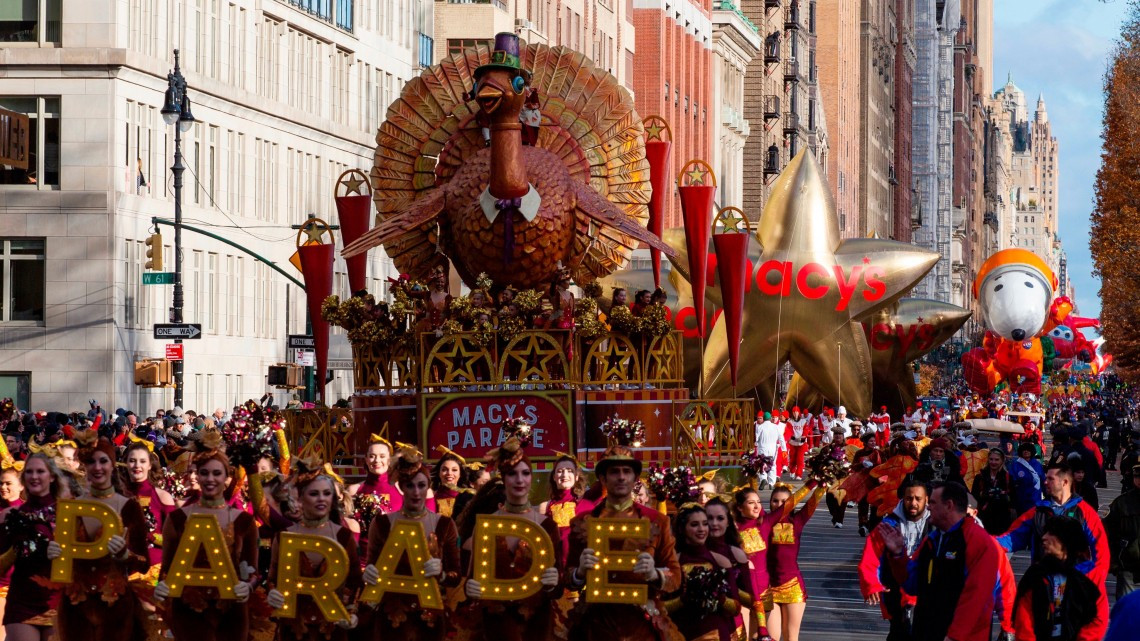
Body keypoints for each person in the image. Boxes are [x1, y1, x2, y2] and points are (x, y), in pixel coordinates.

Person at [566, 442, 681, 641]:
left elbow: (676, 577)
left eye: (626, 471)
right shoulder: (582, 523)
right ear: (603, 478)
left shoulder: (657, 521)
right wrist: (579, 572)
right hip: (596, 626)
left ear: (635, 478)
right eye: (614, 472)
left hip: (643, 627)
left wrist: (655, 574)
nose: (621, 477)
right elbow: (567, 577)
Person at [458, 435, 562, 640]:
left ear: (531, 477)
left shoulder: (547, 526)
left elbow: (557, 588)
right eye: (513, 474)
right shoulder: (486, 526)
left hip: (535, 628)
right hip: (496, 627)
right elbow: (473, 581)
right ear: (503, 478)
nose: (520, 480)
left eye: (525, 473)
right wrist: (471, 589)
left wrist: (553, 583)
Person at [155, 443, 260, 641]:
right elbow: (167, 568)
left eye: (216, 473)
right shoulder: (177, 519)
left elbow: (252, 570)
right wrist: (163, 586)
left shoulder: (244, 521)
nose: (210, 479)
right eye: (204, 473)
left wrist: (248, 586)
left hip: (231, 613)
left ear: (227, 478)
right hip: (188, 611)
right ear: (197, 475)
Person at [51, 434, 150, 641]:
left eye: (103, 461)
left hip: (116, 607)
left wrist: (125, 555)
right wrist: (53, 553)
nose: (97, 467)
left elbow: (144, 563)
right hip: (76, 608)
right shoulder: (71, 508)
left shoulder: (129, 507)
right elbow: (61, 561)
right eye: (91, 461)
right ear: (84, 466)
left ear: (112, 465)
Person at [997, 463, 1110, 641]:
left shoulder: (1085, 512)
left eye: (1050, 478)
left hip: (1076, 582)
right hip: (1044, 581)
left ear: (1065, 482)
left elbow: (1100, 548)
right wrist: (984, 541)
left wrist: (1094, 581)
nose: (1045, 482)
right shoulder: (1037, 512)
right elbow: (1012, 538)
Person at [363, 447, 460, 641]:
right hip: (392, 618)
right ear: (401, 487)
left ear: (428, 487)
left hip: (430, 618)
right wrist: (369, 574)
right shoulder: (381, 523)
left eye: (421, 485)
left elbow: (456, 575)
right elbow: (371, 565)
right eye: (410, 486)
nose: (416, 492)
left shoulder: (444, 524)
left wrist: (441, 574)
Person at [882, 481, 999, 641]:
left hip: (959, 636)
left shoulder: (978, 542)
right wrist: (897, 555)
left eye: (933, 502)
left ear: (949, 505)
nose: (928, 507)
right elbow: (912, 585)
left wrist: (955, 636)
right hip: (927, 632)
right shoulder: (933, 540)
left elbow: (977, 597)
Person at [266, 461, 363, 640]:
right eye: (314, 494)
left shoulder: (343, 536)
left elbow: (355, 580)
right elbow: (273, 579)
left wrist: (351, 611)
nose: (321, 499)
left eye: (326, 493)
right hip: (294, 630)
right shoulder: (284, 536)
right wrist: (273, 594)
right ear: (300, 498)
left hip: (332, 630)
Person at [0, 453, 65, 641]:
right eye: (29, 472)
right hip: (21, 600)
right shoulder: (9, 515)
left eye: (40, 471)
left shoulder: (67, 512)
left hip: (57, 600)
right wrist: (14, 550)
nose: (34, 476)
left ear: (51, 476)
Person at [859, 478, 931, 641]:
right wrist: (872, 584)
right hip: (895, 589)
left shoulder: (936, 524)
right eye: (909, 498)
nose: (913, 503)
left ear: (926, 500)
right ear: (902, 499)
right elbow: (871, 557)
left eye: (918, 499)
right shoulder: (888, 525)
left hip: (926, 589)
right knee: (900, 631)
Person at [665, 504, 747, 641]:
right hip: (681, 634)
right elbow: (661, 608)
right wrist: (684, 599)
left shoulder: (721, 561)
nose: (701, 529)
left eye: (704, 524)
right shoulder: (673, 563)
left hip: (716, 634)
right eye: (694, 525)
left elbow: (735, 608)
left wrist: (719, 598)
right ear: (682, 528)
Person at [1012, 516, 1101, 641]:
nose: (1044, 537)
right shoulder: (1036, 574)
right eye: (1045, 532)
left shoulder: (1088, 575)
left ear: (1066, 540)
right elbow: (1024, 616)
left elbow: (1097, 618)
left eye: (1052, 533)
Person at [765, 481, 827, 641]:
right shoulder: (764, 522)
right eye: (775, 501)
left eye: (784, 501)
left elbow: (814, 500)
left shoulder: (797, 521)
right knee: (769, 638)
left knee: (791, 637)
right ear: (769, 503)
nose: (779, 505)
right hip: (768, 587)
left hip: (792, 587)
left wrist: (823, 478)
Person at [121, 439, 181, 566]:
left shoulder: (162, 497)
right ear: (126, 463)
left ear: (149, 465)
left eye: (142, 461)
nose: (137, 465)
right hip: (122, 568)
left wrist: (150, 535)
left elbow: (175, 538)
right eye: (132, 461)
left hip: (153, 569)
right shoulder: (118, 496)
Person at [705, 497, 753, 641]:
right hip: (697, 629)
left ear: (728, 522)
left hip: (731, 628)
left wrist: (723, 591)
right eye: (709, 518)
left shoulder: (736, 554)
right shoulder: (690, 552)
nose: (714, 523)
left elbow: (750, 600)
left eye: (720, 518)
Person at [733, 487, 775, 641]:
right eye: (751, 503)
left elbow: (790, 504)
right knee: (740, 637)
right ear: (740, 507)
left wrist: (816, 481)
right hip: (742, 592)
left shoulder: (765, 523)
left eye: (759, 502)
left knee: (759, 637)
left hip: (764, 591)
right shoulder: (732, 529)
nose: (757, 506)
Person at [1104, 463, 1140, 597]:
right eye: (1137, 477)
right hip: (1127, 564)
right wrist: (1113, 562)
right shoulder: (1122, 503)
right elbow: (1107, 534)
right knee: (1126, 606)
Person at [972, 447, 1015, 535]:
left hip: (1002, 517)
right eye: (991, 459)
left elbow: (1014, 498)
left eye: (996, 460)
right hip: (984, 517)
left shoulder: (1007, 478)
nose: (993, 462)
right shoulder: (980, 477)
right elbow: (974, 497)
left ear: (1002, 461)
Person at [431, 446, 473, 518]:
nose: (449, 473)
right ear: (439, 473)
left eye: (454, 470)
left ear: (460, 474)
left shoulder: (468, 497)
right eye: (444, 470)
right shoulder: (431, 497)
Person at [1010, 441, 1045, 515]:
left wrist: (1046, 495)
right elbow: (1012, 482)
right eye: (1024, 450)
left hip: (1035, 497)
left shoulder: (1037, 464)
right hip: (1021, 498)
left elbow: (1043, 480)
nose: (1026, 451)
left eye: (1028, 450)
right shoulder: (1016, 465)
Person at [753, 413, 785, 490]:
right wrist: (784, 450)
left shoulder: (760, 427)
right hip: (772, 449)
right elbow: (781, 439)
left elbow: (756, 439)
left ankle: (763, 479)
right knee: (772, 465)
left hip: (762, 448)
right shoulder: (776, 427)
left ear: (763, 419)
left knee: (762, 464)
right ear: (770, 418)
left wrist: (756, 444)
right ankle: (771, 483)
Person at [784, 408, 812, 480]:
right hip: (793, 443)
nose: (795, 414)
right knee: (792, 458)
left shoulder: (803, 421)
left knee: (800, 459)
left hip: (801, 443)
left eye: (796, 412)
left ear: (799, 413)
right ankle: (792, 471)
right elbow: (789, 430)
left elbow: (806, 430)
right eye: (794, 412)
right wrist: (792, 436)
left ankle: (799, 474)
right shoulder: (790, 421)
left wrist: (804, 436)